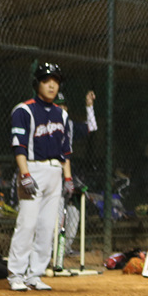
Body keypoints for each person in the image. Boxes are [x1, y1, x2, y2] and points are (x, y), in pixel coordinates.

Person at [7, 63, 72, 291]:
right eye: (46, 80)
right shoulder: (23, 110)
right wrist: (24, 174)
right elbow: (19, 146)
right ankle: (16, 274)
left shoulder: (62, 114)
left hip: (55, 171)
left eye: (55, 81)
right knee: (27, 223)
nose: (52, 85)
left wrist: (68, 178)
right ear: (37, 84)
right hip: (32, 169)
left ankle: (34, 274)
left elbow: (65, 151)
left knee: (47, 226)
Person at [57, 90, 98, 257]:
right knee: (56, 213)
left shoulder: (70, 125)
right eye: (57, 106)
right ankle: (51, 250)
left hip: (66, 172)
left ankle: (64, 249)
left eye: (63, 106)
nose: (61, 109)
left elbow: (92, 127)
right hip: (51, 171)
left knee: (73, 213)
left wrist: (89, 106)